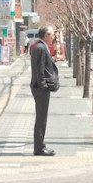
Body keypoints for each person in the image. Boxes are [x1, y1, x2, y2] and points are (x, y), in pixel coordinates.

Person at [29, 26, 59, 156]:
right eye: (52, 34)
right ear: (46, 35)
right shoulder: (40, 48)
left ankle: (40, 146)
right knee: (41, 118)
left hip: (39, 87)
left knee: (41, 118)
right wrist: (44, 86)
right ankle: (39, 148)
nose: (54, 37)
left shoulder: (40, 46)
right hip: (40, 88)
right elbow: (39, 69)